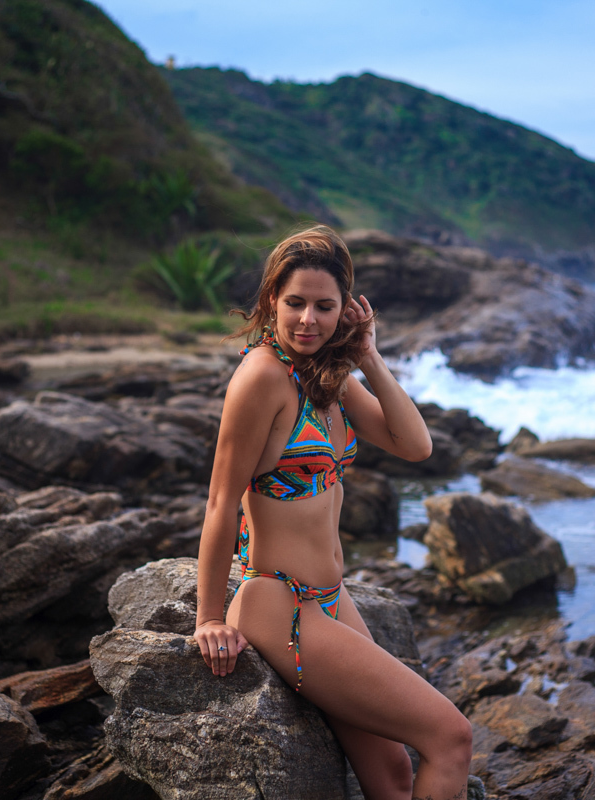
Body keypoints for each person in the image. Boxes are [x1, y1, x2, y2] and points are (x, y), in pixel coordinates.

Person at [194, 225, 473, 800]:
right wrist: (208, 619)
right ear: (272, 298)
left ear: (347, 309)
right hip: (278, 602)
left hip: (330, 599)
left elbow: (415, 445)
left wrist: (367, 354)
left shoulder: (328, 378)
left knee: (393, 778)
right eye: (295, 303)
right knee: (451, 736)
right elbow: (222, 500)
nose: (307, 321)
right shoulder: (262, 377)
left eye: (325, 307)